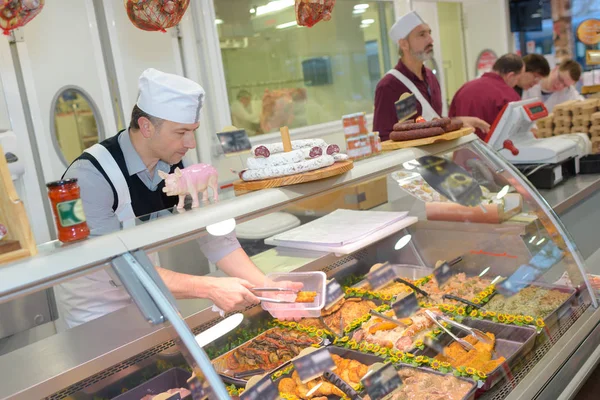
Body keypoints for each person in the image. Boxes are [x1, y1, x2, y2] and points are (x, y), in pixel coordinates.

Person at [55, 69, 277, 329]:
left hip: (153, 291)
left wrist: (269, 288)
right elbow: (116, 267)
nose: (190, 143)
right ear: (146, 127)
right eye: (181, 132)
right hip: (97, 313)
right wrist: (209, 286)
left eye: (193, 131)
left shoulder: (177, 164)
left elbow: (216, 239)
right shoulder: (89, 176)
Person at [373, 11, 489, 141]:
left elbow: (432, 120)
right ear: (404, 44)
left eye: (429, 33)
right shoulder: (388, 86)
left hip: (436, 158)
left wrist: (458, 121)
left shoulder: (430, 77)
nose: (430, 40)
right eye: (422, 35)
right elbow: (382, 137)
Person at [449, 54, 525, 140]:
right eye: (518, 79)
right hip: (492, 151)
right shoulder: (509, 95)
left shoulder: (464, 88)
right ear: (510, 75)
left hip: (462, 149)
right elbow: (517, 132)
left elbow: (451, 121)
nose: (516, 84)